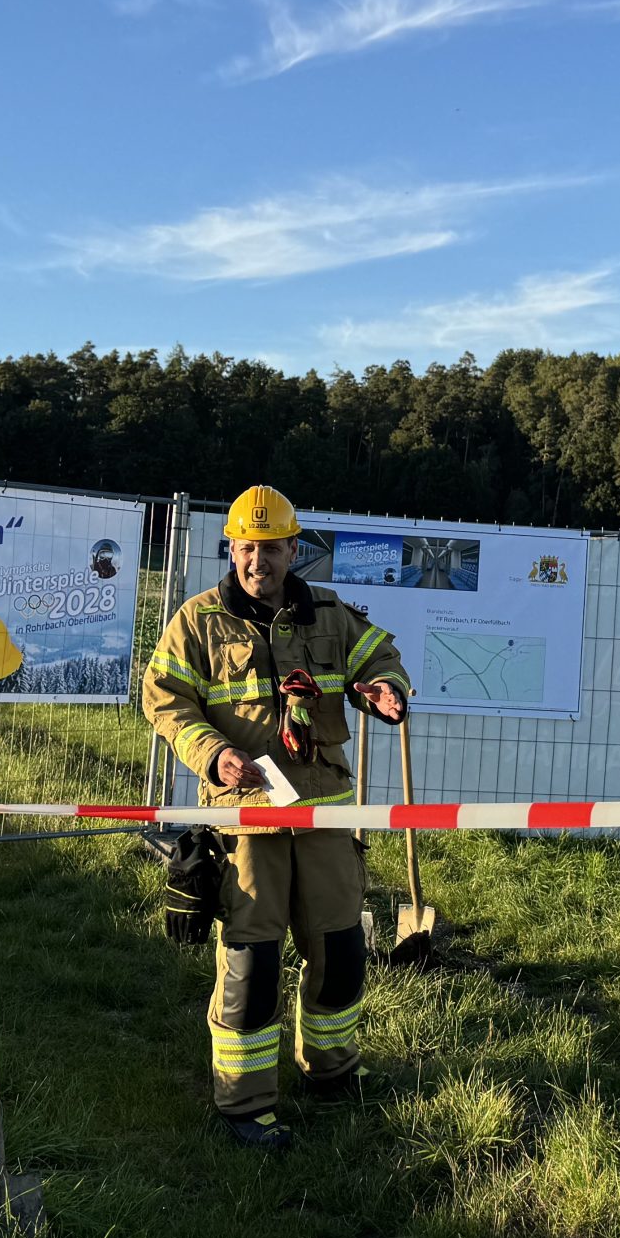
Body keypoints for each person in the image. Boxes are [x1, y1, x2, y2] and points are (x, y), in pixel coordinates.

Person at [140, 485, 411, 1150]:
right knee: (252, 966)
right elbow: (163, 700)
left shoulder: (329, 613)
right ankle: (245, 1104)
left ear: (296, 549)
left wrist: (384, 691)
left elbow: (382, 658)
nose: (260, 559)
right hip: (245, 824)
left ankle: (331, 1073)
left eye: (273, 547)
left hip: (324, 821)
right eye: (248, 546)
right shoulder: (197, 622)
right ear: (232, 548)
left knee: (341, 953)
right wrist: (213, 752)